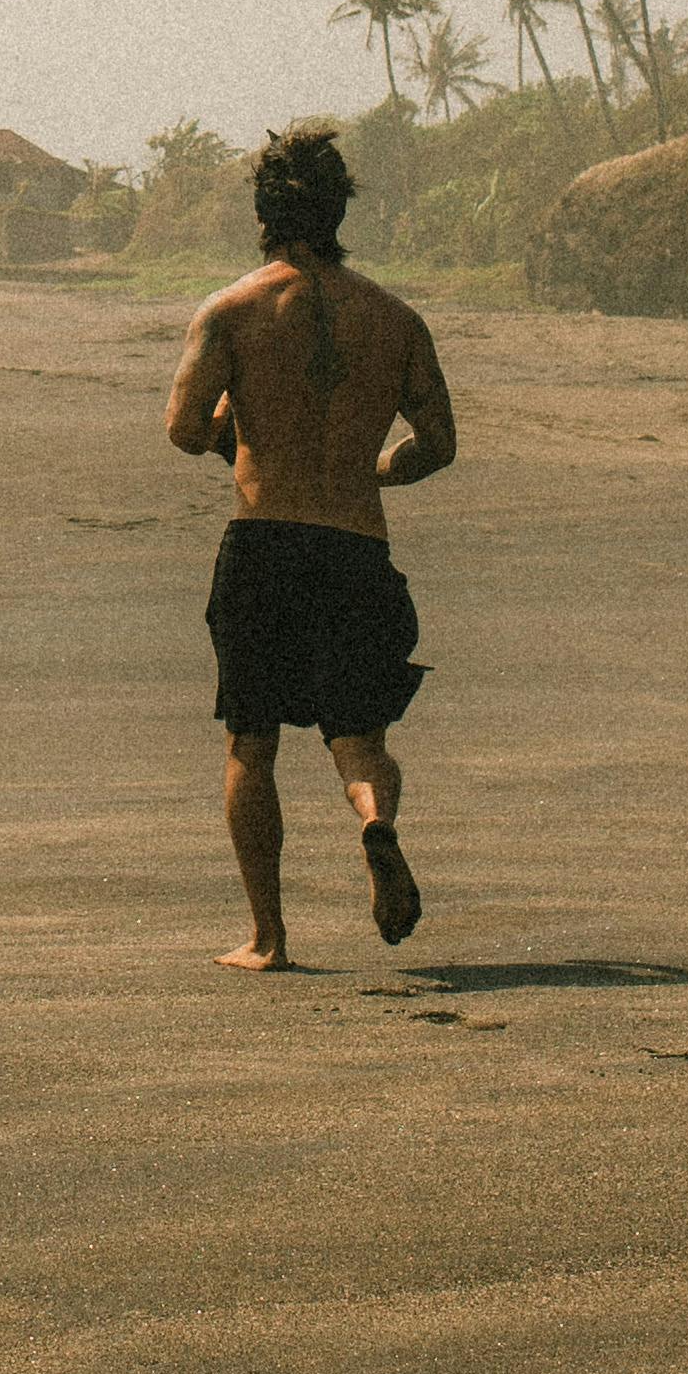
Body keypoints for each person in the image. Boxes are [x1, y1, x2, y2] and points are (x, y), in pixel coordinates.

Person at [168, 123, 457, 966]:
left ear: (263, 211)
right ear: (339, 210)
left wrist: (242, 436)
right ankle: (374, 822)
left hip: (264, 546)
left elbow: (185, 429)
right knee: (359, 740)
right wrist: (376, 471)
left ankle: (268, 936)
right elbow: (439, 443)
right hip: (355, 550)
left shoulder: (231, 310)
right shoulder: (396, 321)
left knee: (250, 746)